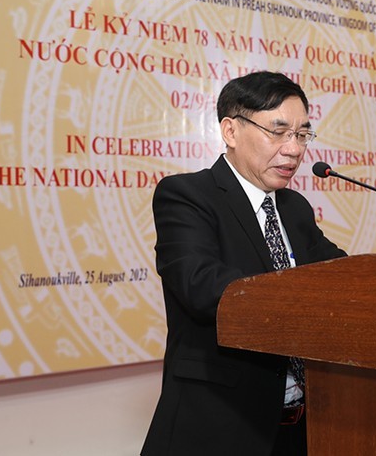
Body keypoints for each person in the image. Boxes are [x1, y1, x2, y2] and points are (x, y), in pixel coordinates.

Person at [141, 71, 346, 456]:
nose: (294, 149)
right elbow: (203, 287)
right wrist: (304, 298)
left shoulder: (294, 208)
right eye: (278, 131)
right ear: (231, 131)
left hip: (303, 428)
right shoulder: (187, 195)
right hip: (219, 427)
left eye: (302, 134)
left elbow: (336, 274)